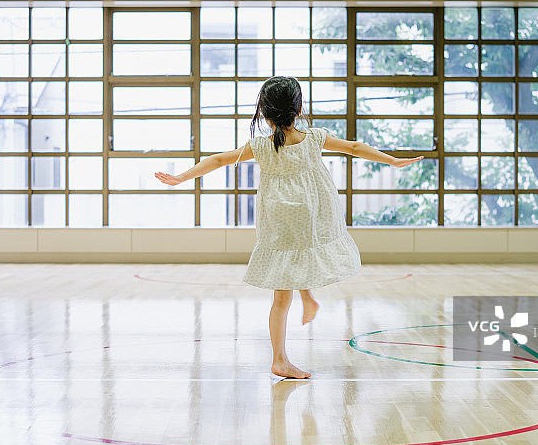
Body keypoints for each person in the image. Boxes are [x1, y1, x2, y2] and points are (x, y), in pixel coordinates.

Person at [155, 76, 423, 379]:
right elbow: (355, 147)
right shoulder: (315, 138)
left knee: (284, 284)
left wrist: (181, 178)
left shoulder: (261, 146)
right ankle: (294, 330)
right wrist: (392, 161)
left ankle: (290, 336)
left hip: (279, 218)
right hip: (312, 214)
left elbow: (218, 160)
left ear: (265, 115)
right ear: (298, 111)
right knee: (301, 255)